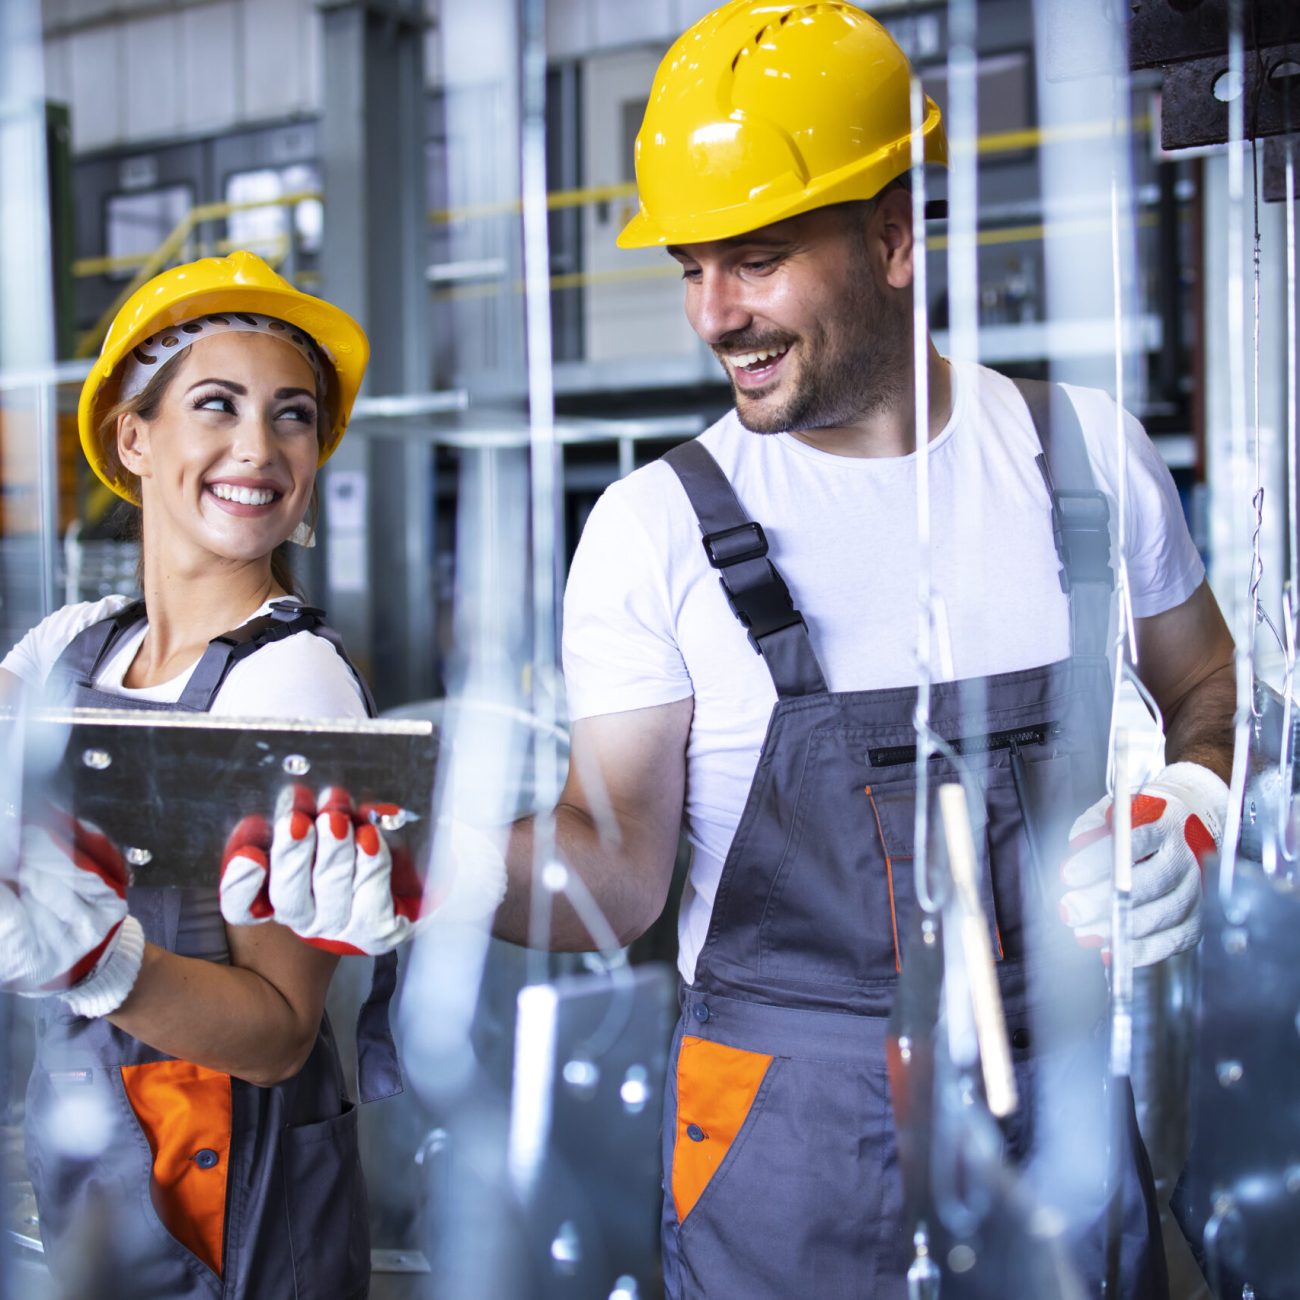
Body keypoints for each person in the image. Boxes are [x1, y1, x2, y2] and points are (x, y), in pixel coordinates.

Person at [255, 3, 1233, 1294]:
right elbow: (616, 875)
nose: (714, 315)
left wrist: (1201, 801)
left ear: (893, 236)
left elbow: (1209, 682)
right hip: (781, 1147)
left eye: (757, 260)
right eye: (690, 268)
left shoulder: (1084, 466)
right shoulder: (655, 531)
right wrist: (423, 877)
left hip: (1055, 1115)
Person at [0, 251, 416, 1299]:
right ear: (132, 437)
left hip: (233, 1202)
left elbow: (277, 1033)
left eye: (292, 416)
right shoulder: (73, 649)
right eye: (217, 405)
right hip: (85, 1165)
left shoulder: (294, 678)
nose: (259, 448)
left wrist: (92, 959)